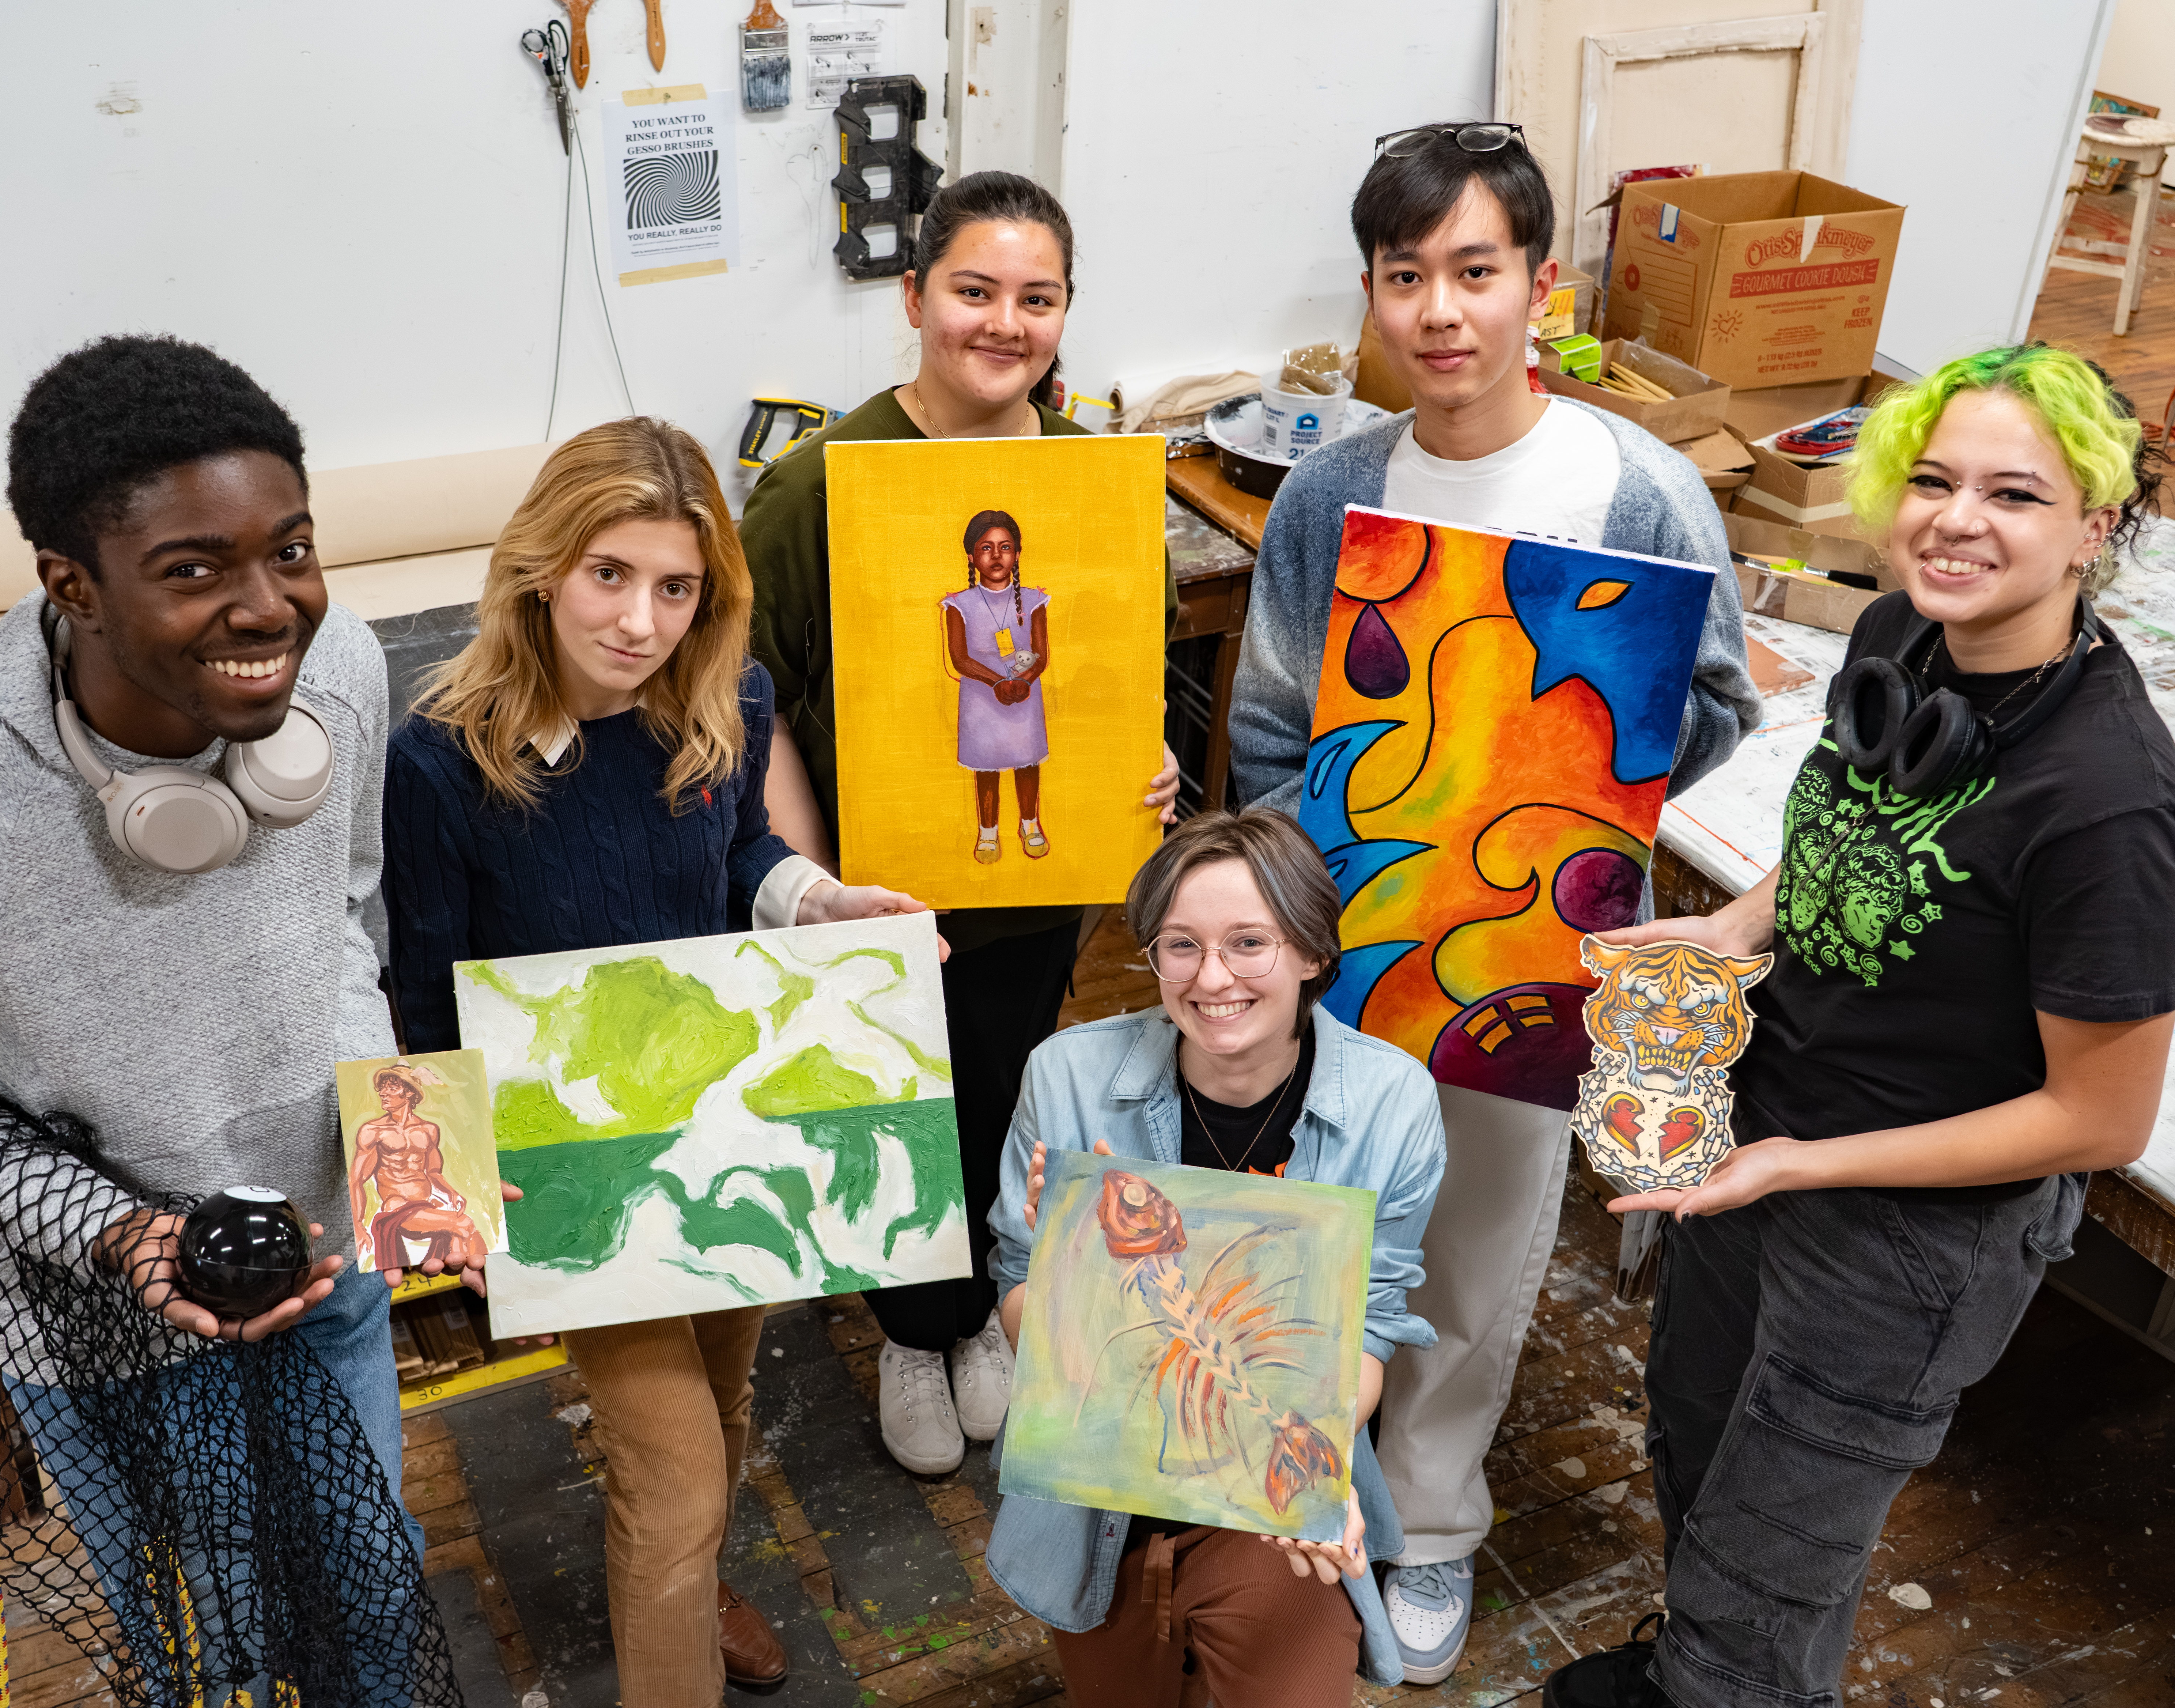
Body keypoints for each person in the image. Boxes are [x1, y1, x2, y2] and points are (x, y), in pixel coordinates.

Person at [1546, 344, 2175, 1707]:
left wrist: (1802, 1163)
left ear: (2097, 519)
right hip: (1767, 1133)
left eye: (2014, 493)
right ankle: (1705, 1665)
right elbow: (1852, 818)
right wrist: (1740, 928)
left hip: (1910, 1238)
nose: (1956, 518)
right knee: (1702, 1449)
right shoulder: (1904, 632)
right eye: (1933, 477)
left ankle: (1726, 1678)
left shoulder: (2109, 806)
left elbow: (2100, 1117)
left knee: (1778, 1547)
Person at [0, 335, 435, 1688]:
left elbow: (342, 910)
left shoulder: (345, 672)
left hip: (324, 1259)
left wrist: (404, 1155)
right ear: (71, 585)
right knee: (217, 1654)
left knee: (375, 1609)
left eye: (292, 549)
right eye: (194, 569)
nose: (269, 607)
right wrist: (114, 1231)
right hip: (105, 1332)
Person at [1224, 122, 1761, 1682]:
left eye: (1475, 271)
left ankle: (1437, 1521)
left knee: (1476, 1236)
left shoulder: (1641, 489)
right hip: (1348, 927)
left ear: (1543, 284)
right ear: (1375, 294)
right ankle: (1300, 1476)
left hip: (1540, 941)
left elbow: (1715, 708)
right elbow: (1268, 724)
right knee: (1325, 1212)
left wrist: (1580, 749)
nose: (1440, 313)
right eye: (1406, 278)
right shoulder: (1331, 494)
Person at [381, 415, 937, 1706]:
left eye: (675, 587)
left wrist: (817, 901)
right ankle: (675, 1576)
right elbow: (420, 987)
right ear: (542, 567)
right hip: (565, 1162)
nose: (641, 621)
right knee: (682, 1466)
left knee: (717, 1408)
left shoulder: (725, 694)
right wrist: (441, 1200)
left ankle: (681, 1566)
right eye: (610, 576)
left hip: (718, 1131)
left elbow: (735, 859)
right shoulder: (438, 756)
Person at [742, 168, 1183, 1475]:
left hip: (1035, 879)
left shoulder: (1094, 483)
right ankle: (910, 1328)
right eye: (975, 291)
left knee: (1003, 1087)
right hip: (877, 888)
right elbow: (753, 698)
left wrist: (1144, 756)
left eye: (1036, 298)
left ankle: (985, 1305)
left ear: (1064, 313)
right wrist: (812, 876)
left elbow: (1113, 671)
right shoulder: (821, 480)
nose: (1005, 322)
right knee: (894, 1106)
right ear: (915, 295)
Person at [980, 808, 1446, 1704]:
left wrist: (1309, 1468)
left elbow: (1374, 1325)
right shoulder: (1066, 1077)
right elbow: (1017, 1288)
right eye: (1181, 945)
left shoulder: (1395, 1102)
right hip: (1094, 1491)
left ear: (1313, 952)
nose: (1213, 976)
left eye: (1249, 942)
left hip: (1274, 1488)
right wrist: (1079, 1280)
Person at [942, 507, 1052, 861]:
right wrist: (997, 683)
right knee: (986, 767)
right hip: (981, 697)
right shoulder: (958, 605)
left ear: (1017, 554)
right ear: (972, 555)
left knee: (1027, 762)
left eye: (1005, 547)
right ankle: (988, 832)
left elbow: (1041, 653)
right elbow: (959, 658)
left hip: (1023, 694)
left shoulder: (1035, 600)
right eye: (986, 547)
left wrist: (1023, 681)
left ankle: (1029, 824)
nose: (996, 555)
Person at [348, 1060, 490, 1272]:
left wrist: (452, 1192)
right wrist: (359, 1227)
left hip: (426, 1205)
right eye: (383, 1088)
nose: (383, 1093)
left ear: (409, 1094)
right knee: (465, 1225)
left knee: (458, 1238)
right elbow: (356, 1180)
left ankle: (470, 1273)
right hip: (396, 1207)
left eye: (392, 1088)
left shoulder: (429, 1130)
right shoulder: (373, 1131)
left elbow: (433, 1171)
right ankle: (481, 1274)